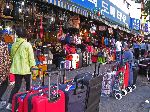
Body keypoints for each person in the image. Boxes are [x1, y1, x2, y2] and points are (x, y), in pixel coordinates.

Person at [6, 25, 36, 110]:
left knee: (16, 87)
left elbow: (12, 56)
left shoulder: (14, 44)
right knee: (28, 86)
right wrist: (33, 68)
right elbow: (31, 58)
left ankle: (9, 103)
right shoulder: (27, 44)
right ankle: (27, 103)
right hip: (26, 69)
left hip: (17, 69)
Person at [0, 31, 11, 109]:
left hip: (3, 68)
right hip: (2, 69)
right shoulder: (3, 45)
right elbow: (5, 59)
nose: (6, 36)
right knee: (4, 84)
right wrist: (7, 69)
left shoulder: (4, 45)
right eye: (5, 35)